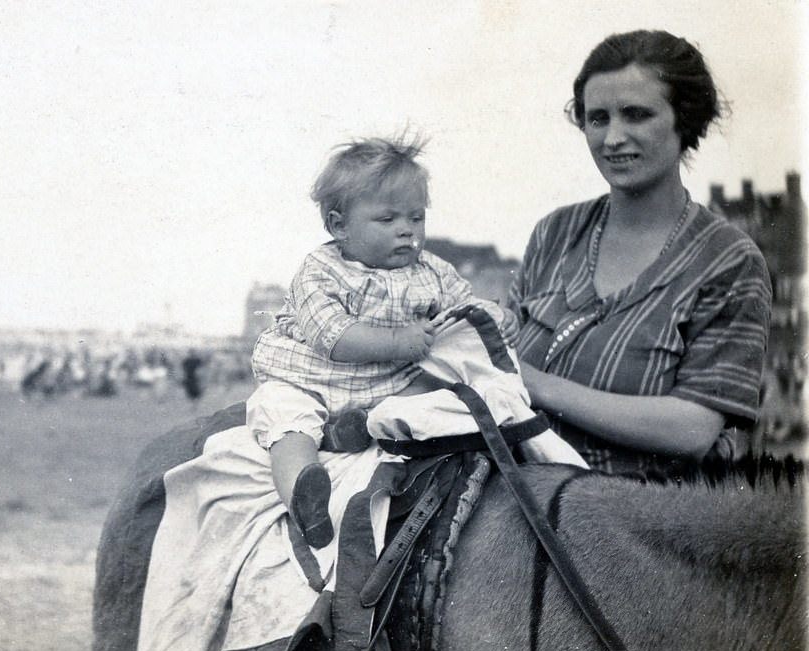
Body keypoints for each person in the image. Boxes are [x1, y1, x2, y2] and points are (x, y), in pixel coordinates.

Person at [507, 30, 772, 474]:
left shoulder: (730, 262)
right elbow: (500, 359)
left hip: (638, 526)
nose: (612, 138)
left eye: (636, 115)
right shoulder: (556, 232)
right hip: (516, 502)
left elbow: (694, 429)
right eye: (597, 118)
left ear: (684, 120)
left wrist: (538, 387)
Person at [247, 136, 518, 548]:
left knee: (443, 381)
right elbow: (332, 336)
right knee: (284, 417)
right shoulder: (320, 270)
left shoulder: (432, 270)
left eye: (416, 217)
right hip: (311, 377)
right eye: (388, 219)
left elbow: (464, 307)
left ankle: (355, 431)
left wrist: (496, 316)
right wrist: (398, 341)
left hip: (388, 384)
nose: (407, 230)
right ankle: (304, 492)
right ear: (340, 226)